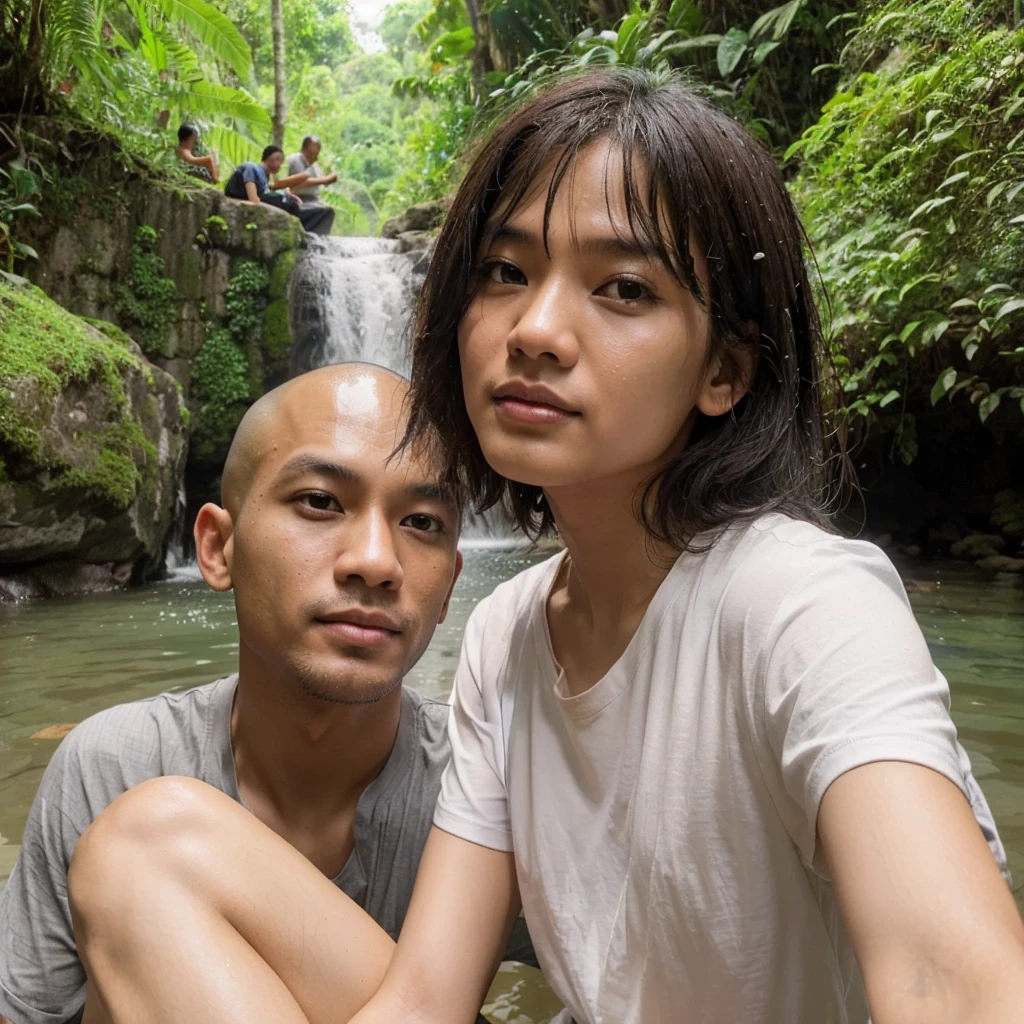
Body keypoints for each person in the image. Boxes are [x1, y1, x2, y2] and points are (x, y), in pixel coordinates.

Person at [67, 69, 1024, 1024]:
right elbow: (425, 1001)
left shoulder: (804, 602)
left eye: (622, 288)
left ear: (725, 369)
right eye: (506, 272)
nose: (535, 331)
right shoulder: (507, 638)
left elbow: (957, 985)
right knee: (152, 847)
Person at [0, 364, 531, 1024]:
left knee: (151, 846)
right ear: (217, 548)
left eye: (421, 521)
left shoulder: (489, 787)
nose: (375, 560)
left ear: (451, 584)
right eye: (320, 502)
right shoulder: (110, 766)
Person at [223, 145, 333, 236]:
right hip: (247, 199)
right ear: (271, 158)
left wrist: (286, 193)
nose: (280, 165)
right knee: (290, 204)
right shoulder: (251, 167)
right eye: (279, 160)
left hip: (278, 205)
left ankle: (308, 232)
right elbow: (253, 196)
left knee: (325, 212)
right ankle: (303, 233)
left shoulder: (264, 178)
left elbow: (269, 189)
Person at [286, 135, 337, 235]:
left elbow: (322, 183)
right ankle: (307, 236)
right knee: (326, 212)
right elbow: (299, 182)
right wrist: (325, 179)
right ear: (303, 150)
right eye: (310, 153)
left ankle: (318, 238)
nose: (313, 157)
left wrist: (329, 178)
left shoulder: (315, 166)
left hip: (312, 201)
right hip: (296, 201)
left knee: (327, 212)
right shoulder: (296, 160)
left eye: (316, 154)